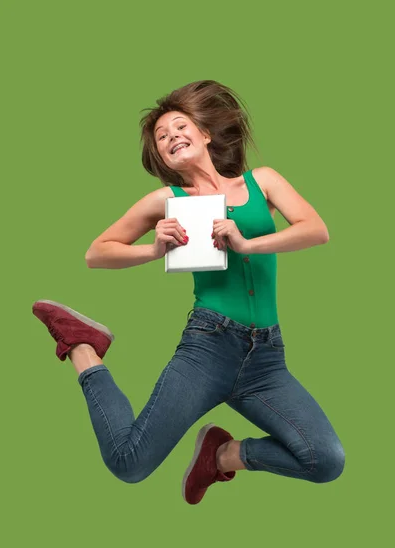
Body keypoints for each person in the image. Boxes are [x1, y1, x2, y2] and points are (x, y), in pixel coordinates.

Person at [33, 80, 345, 505]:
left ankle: (222, 456)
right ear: (163, 158)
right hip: (208, 348)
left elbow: (315, 230)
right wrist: (154, 248)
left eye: (180, 127)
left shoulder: (261, 181)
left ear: (205, 135)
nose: (171, 137)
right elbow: (96, 253)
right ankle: (84, 346)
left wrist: (247, 243)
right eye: (162, 138)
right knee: (129, 462)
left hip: (266, 358)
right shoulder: (169, 199)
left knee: (326, 460)